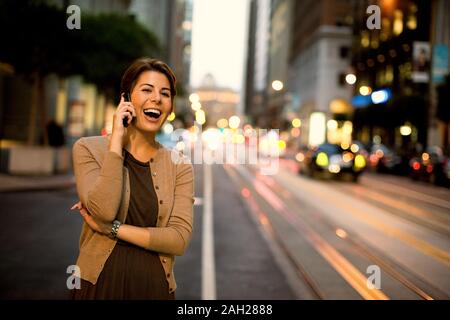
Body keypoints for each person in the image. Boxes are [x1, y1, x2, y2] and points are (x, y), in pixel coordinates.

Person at [68, 58, 194, 300]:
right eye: (146, 89)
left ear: (169, 106)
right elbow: (103, 209)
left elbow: (178, 239)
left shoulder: (180, 165)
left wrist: (112, 228)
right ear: (126, 99)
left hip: (154, 290)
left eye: (164, 93)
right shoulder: (88, 149)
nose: (156, 98)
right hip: (98, 287)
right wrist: (116, 141)